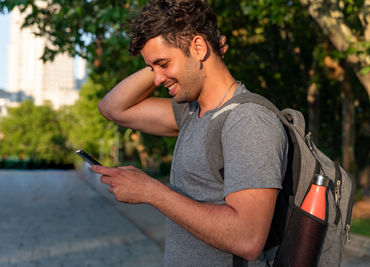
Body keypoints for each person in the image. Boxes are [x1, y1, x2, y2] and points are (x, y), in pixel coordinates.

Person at [91, 0, 288, 266]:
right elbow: (112, 108)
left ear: (198, 47)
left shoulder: (248, 120)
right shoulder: (191, 113)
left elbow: (248, 239)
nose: (158, 80)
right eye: (152, 69)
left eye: (163, 63)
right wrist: (162, 63)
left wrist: (151, 192)